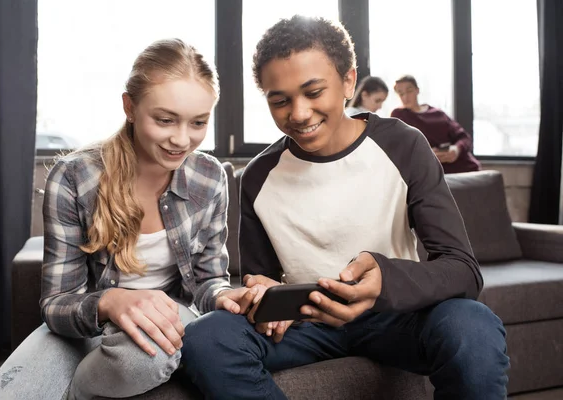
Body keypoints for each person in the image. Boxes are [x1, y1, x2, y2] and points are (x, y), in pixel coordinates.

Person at [180, 15, 509, 400]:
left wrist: (384, 281)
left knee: (473, 325)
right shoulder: (256, 177)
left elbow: (463, 270)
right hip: (307, 325)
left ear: (348, 81)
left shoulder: (404, 145)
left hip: (396, 316)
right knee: (206, 338)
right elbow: (260, 281)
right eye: (280, 100)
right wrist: (265, 299)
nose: (299, 114)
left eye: (314, 92)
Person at [0, 39, 261, 400]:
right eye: (164, 120)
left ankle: (80, 391)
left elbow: (209, 283)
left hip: (166, 319)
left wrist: (226, 296)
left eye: (198, 123)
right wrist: (110, 301)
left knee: (148, 355)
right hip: (89, 323)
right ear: (129, 107)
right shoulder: (74, 177)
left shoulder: (208, 177)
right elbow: (57, 304)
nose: (181, 139)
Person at [391, 75, 481, 174]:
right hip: (431, 171)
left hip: (463, 165)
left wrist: (456, 149)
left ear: (417, 90)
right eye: (401, 93)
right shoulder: (398, 115)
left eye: (409, 91)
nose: (405, 97)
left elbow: (464, 137)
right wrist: (426, 154)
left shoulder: (438, 113)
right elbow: (399, 148)